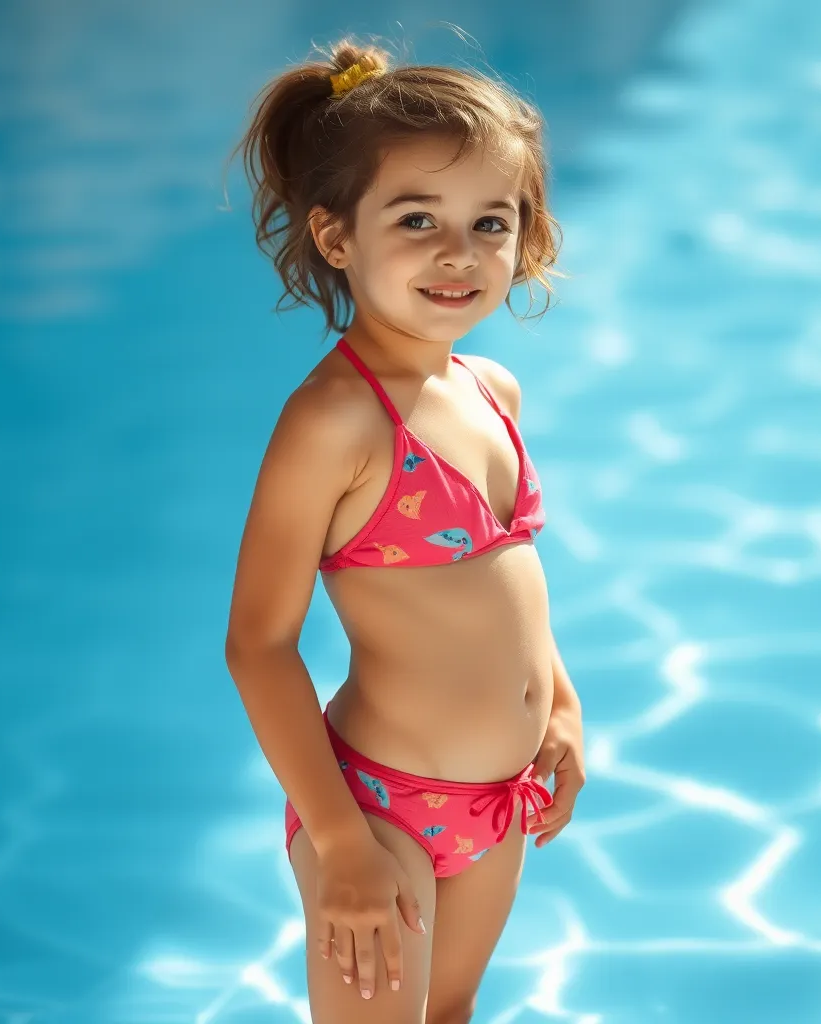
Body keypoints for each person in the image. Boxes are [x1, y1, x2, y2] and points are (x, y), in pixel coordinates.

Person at [224, 36, 586, 1024]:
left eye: (490, 221)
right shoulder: (334, 422)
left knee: (452, 1009)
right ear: (337, 238)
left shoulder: (488, 389)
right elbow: (257, 645)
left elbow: (511, 576)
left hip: (498, 797)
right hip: (380, 811)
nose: (458, 253)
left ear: (527, 237)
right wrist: (339, 840)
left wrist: (556, 698)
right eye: (416, 218)